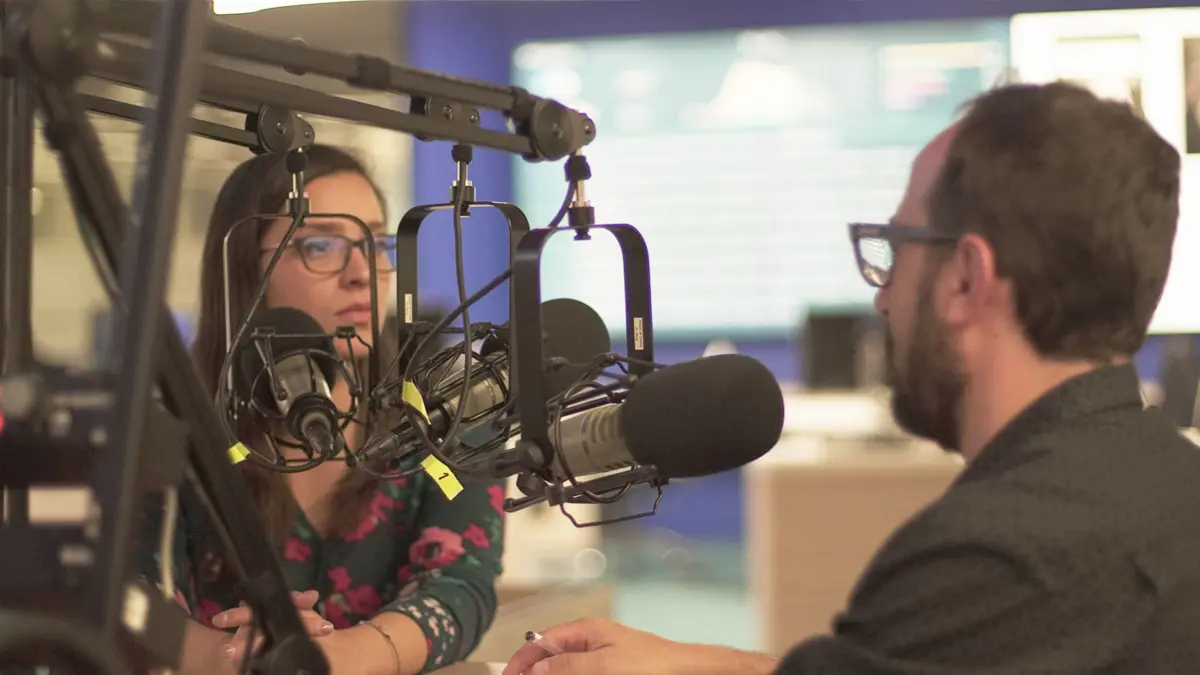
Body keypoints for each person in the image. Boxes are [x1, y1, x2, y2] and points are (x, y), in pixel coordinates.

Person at [505, 81, 1200, 675]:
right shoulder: (1169, 486)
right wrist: (695, 664)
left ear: (965, 279)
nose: (883, 297)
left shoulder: (994, 556)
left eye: (895, 250)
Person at [139, 145, 506, 675]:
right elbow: (130, 593)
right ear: (246, 271)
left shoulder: (445, 417)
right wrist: (222, 656)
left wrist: (343, 656)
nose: (362, 272)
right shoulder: (171, 432)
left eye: (377, 243)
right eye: (321, 245)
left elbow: (460, 585)